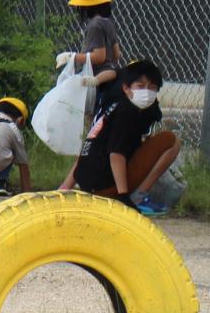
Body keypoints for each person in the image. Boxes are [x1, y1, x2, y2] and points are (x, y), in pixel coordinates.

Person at [65, 58, 179, 212]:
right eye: (140, 86)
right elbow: (116, 154)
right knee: (170, 141)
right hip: (105, 188)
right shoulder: (127, 112)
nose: (146, 92)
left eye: (152, 88)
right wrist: (123, 195)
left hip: (88, 184)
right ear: (126, 88)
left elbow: (89, 149)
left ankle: (69, 189)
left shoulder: (113, 107)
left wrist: (64, 188)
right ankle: (138, 196)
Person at [62, 0, 124, 112]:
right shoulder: (108, 22)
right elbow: (116, 54)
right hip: (109, 79)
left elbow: (99, 57)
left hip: (96, 80)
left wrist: (71, 57)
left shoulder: (94, 25)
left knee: (93, 117)